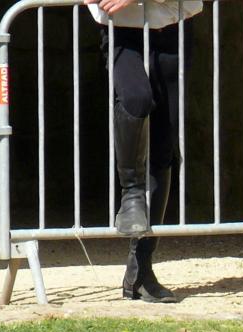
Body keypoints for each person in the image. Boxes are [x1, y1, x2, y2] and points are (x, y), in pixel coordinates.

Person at [86, 0, 202, 303]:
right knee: (136, 99)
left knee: (164, 146)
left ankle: (141, 269)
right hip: (121, 32)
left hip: (174, 25)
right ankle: (132, 193)